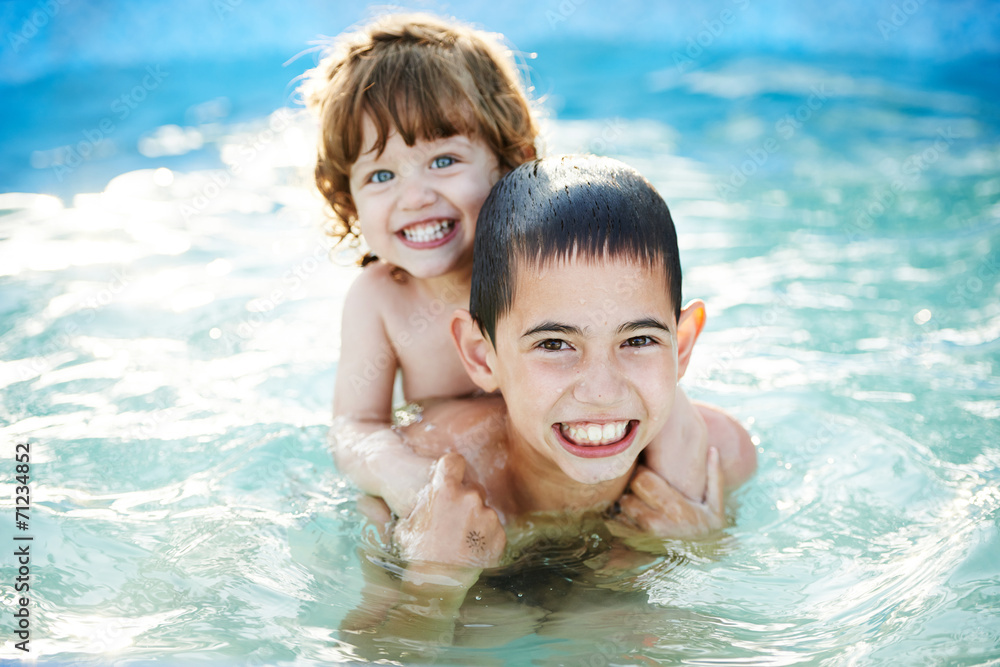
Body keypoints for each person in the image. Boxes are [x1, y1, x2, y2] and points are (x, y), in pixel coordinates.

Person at [304, 13, 730, 529]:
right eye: (381, 174)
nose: (414, 197)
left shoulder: (555, 267)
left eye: (443, 161)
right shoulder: (380, 298)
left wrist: (689, 519)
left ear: (511, 161)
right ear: (347, 199)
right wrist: (397, 472)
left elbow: (645, 376)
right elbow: (355, 424)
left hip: (580, 443)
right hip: (484, 464)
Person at [345, 156, 757, 651]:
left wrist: (695, 545)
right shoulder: (429, 490)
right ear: (482, 355)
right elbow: (374, 652)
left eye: (640, 340)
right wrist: (432, 586)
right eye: (555, 345)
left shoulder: (721, 457)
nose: (601, 391)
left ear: (683, 346)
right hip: (486, 599)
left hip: (608, 583)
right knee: (489, 629)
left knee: (616, 632)